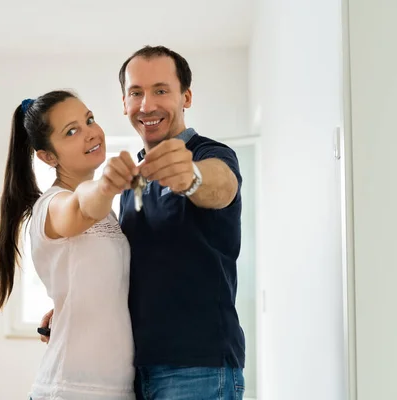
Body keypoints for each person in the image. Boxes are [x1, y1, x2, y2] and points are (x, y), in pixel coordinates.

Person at [40, 45, 246, 400]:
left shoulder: (209, 155)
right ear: (124, 103)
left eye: (161, 91)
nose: (147, 105)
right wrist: (78, 302)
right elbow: (138, 268)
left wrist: (192, 177)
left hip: (197, 368)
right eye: (136, 93)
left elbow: (222, 185)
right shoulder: (130, 181)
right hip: (137, 371)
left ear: (187, 97)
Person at [0, 90, 139, 399]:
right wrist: (108, 184)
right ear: (48, 156)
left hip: (112, 387)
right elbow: (83, 206)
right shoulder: (54, 205)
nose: (90, 134)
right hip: (69, 388)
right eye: (71, 131)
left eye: (89, 120)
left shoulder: (109, 214)